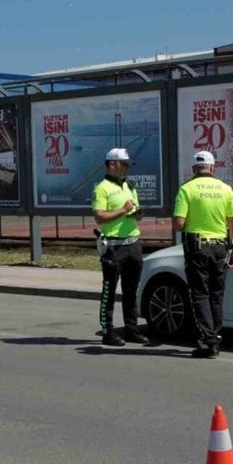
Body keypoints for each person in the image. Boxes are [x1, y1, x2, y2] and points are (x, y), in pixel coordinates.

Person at [173, 150, 233, 358]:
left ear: (194, 168)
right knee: (216, 295)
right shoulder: (226, 189)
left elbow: (178, 224)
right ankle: (215, 337)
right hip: (221, 247)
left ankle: (207, 340)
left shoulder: (186, 189)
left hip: (198, 247)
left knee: (200, 294)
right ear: (212, 167)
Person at [92, 147, 148, 346]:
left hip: (133, 243)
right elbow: (99, 217)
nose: (127, 168)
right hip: (113, 246)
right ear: (112, 164)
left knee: (131, 290)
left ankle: (131, 329)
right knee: (109, 289)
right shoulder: (102, 188)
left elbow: (132, 212)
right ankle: (108, 331)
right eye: (124, 164)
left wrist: (137, 214)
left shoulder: (129, 186)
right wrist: (122, 211)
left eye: (128, 164)